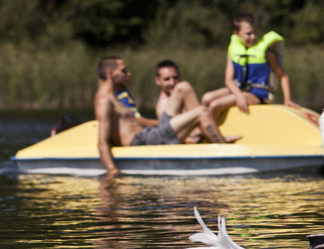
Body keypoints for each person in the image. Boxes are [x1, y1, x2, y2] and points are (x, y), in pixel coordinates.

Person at [94, 56, 230, 177]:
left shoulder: (114, 98)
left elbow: (133, 122)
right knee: (202, 112)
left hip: (150, 135)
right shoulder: (104, 100)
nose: (128, 74)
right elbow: (102, 142)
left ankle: (201, 135)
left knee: (184, 87)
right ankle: (227, 155)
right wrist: (112, 171)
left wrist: (162, 124)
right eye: (123, 71)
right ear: (110, 73)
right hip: (143, 140)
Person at [201, 13, 296, 116]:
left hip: (259, 95)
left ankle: (208, 131)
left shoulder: (266, 53)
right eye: (248, 33)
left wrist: (287, 99)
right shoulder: (233, 51)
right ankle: (204, 126)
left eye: (255, 33)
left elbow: (283, 76)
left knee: (216, 104)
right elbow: (228, 80)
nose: (253, 37)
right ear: (236, 33)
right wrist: (239, 95)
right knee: (206, 98)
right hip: (240, 90)